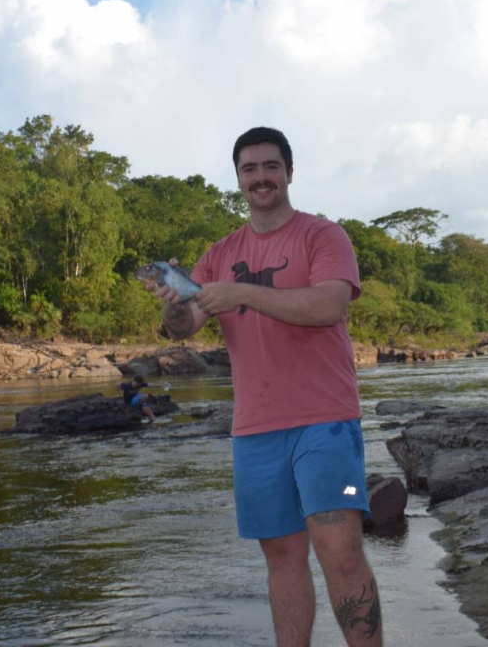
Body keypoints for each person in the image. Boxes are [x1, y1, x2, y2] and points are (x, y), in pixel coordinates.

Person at [143, 127, 382, 646]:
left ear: (289, 173)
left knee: (340, 550)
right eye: (249, 169)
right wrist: (173, 299)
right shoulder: (218, 253)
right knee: (281, 559)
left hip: (326, 422)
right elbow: (183, 328)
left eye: (270, 166)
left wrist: (239, 293)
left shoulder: (323, 236)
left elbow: (327, 306)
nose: (261, 178)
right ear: (238, 180)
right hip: (254, 429)